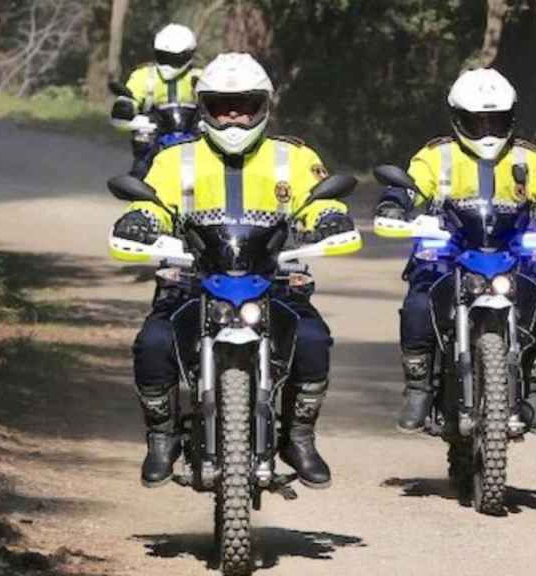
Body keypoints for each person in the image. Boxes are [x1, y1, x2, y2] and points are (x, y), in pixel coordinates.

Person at [113, 53, 355, 489]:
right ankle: (162, 437)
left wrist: (328, 218)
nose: (234, 118)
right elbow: (150, 202)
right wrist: (142, 221)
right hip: (190, 281)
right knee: (153, 344)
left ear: (264, 106)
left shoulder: (294, 157)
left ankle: (299, 436)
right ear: (203, 108)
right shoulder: (175, 159)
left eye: (244, 105)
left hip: (274, 280)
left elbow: (322, 199)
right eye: (222, 106)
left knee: (314, 339)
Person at [375, 68, 536, 435]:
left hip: (511, 252)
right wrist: (395, 202)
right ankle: (418, 388)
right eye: (478, 122)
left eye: (497, 121)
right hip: (447, 252)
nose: (488, 131)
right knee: (417, 306)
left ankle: (534, 392)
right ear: (458, 119)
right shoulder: (436, 155)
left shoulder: (527, 156)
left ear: (512, 119)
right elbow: (412, 186)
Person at [110, 23, 202, 178]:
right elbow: (130, 96)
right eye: (163, 57)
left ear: (188, 55)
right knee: (140, 169)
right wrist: (124, 107)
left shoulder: (202, 76)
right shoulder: (143, 76)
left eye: (174, 58)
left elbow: (217, 98)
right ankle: (139, 196)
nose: (167, 63)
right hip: (154, 140)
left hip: (194, 136)